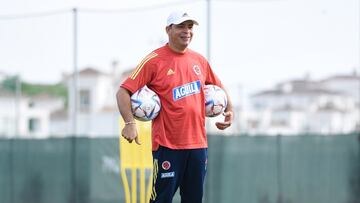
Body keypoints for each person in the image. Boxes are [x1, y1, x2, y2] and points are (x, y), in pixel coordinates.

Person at [116, 11, 233, 203]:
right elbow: (122, 92)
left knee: (194, 199)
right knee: (161, 199)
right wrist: (130, 122)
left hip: (198, 146)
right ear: (168, 30)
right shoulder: (154, 60)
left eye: (190, 27)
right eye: (181, 26)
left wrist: (230, 110)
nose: (187, 31)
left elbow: (219, 87)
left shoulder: (199, 61)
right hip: (167, 146)